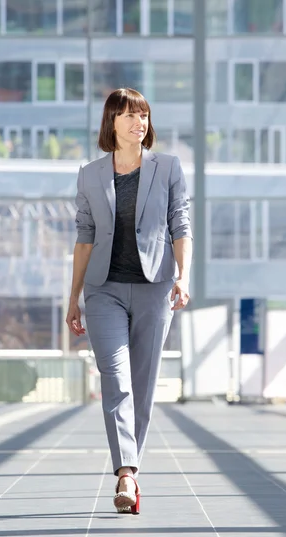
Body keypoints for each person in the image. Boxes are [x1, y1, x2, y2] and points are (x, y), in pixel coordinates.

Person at [66, 87, 192, 514]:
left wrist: (183, 276)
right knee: (115, 378)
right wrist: (73, 298)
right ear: (112, 123)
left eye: (144, 115)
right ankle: (126, 474)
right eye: (130, 115)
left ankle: (129, 469)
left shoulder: (169, 168)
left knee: (142, 384)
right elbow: (83, 238)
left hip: (155, 287)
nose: (140, 122)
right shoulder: (90, 174)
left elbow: (181, 224)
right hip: (103, 290)